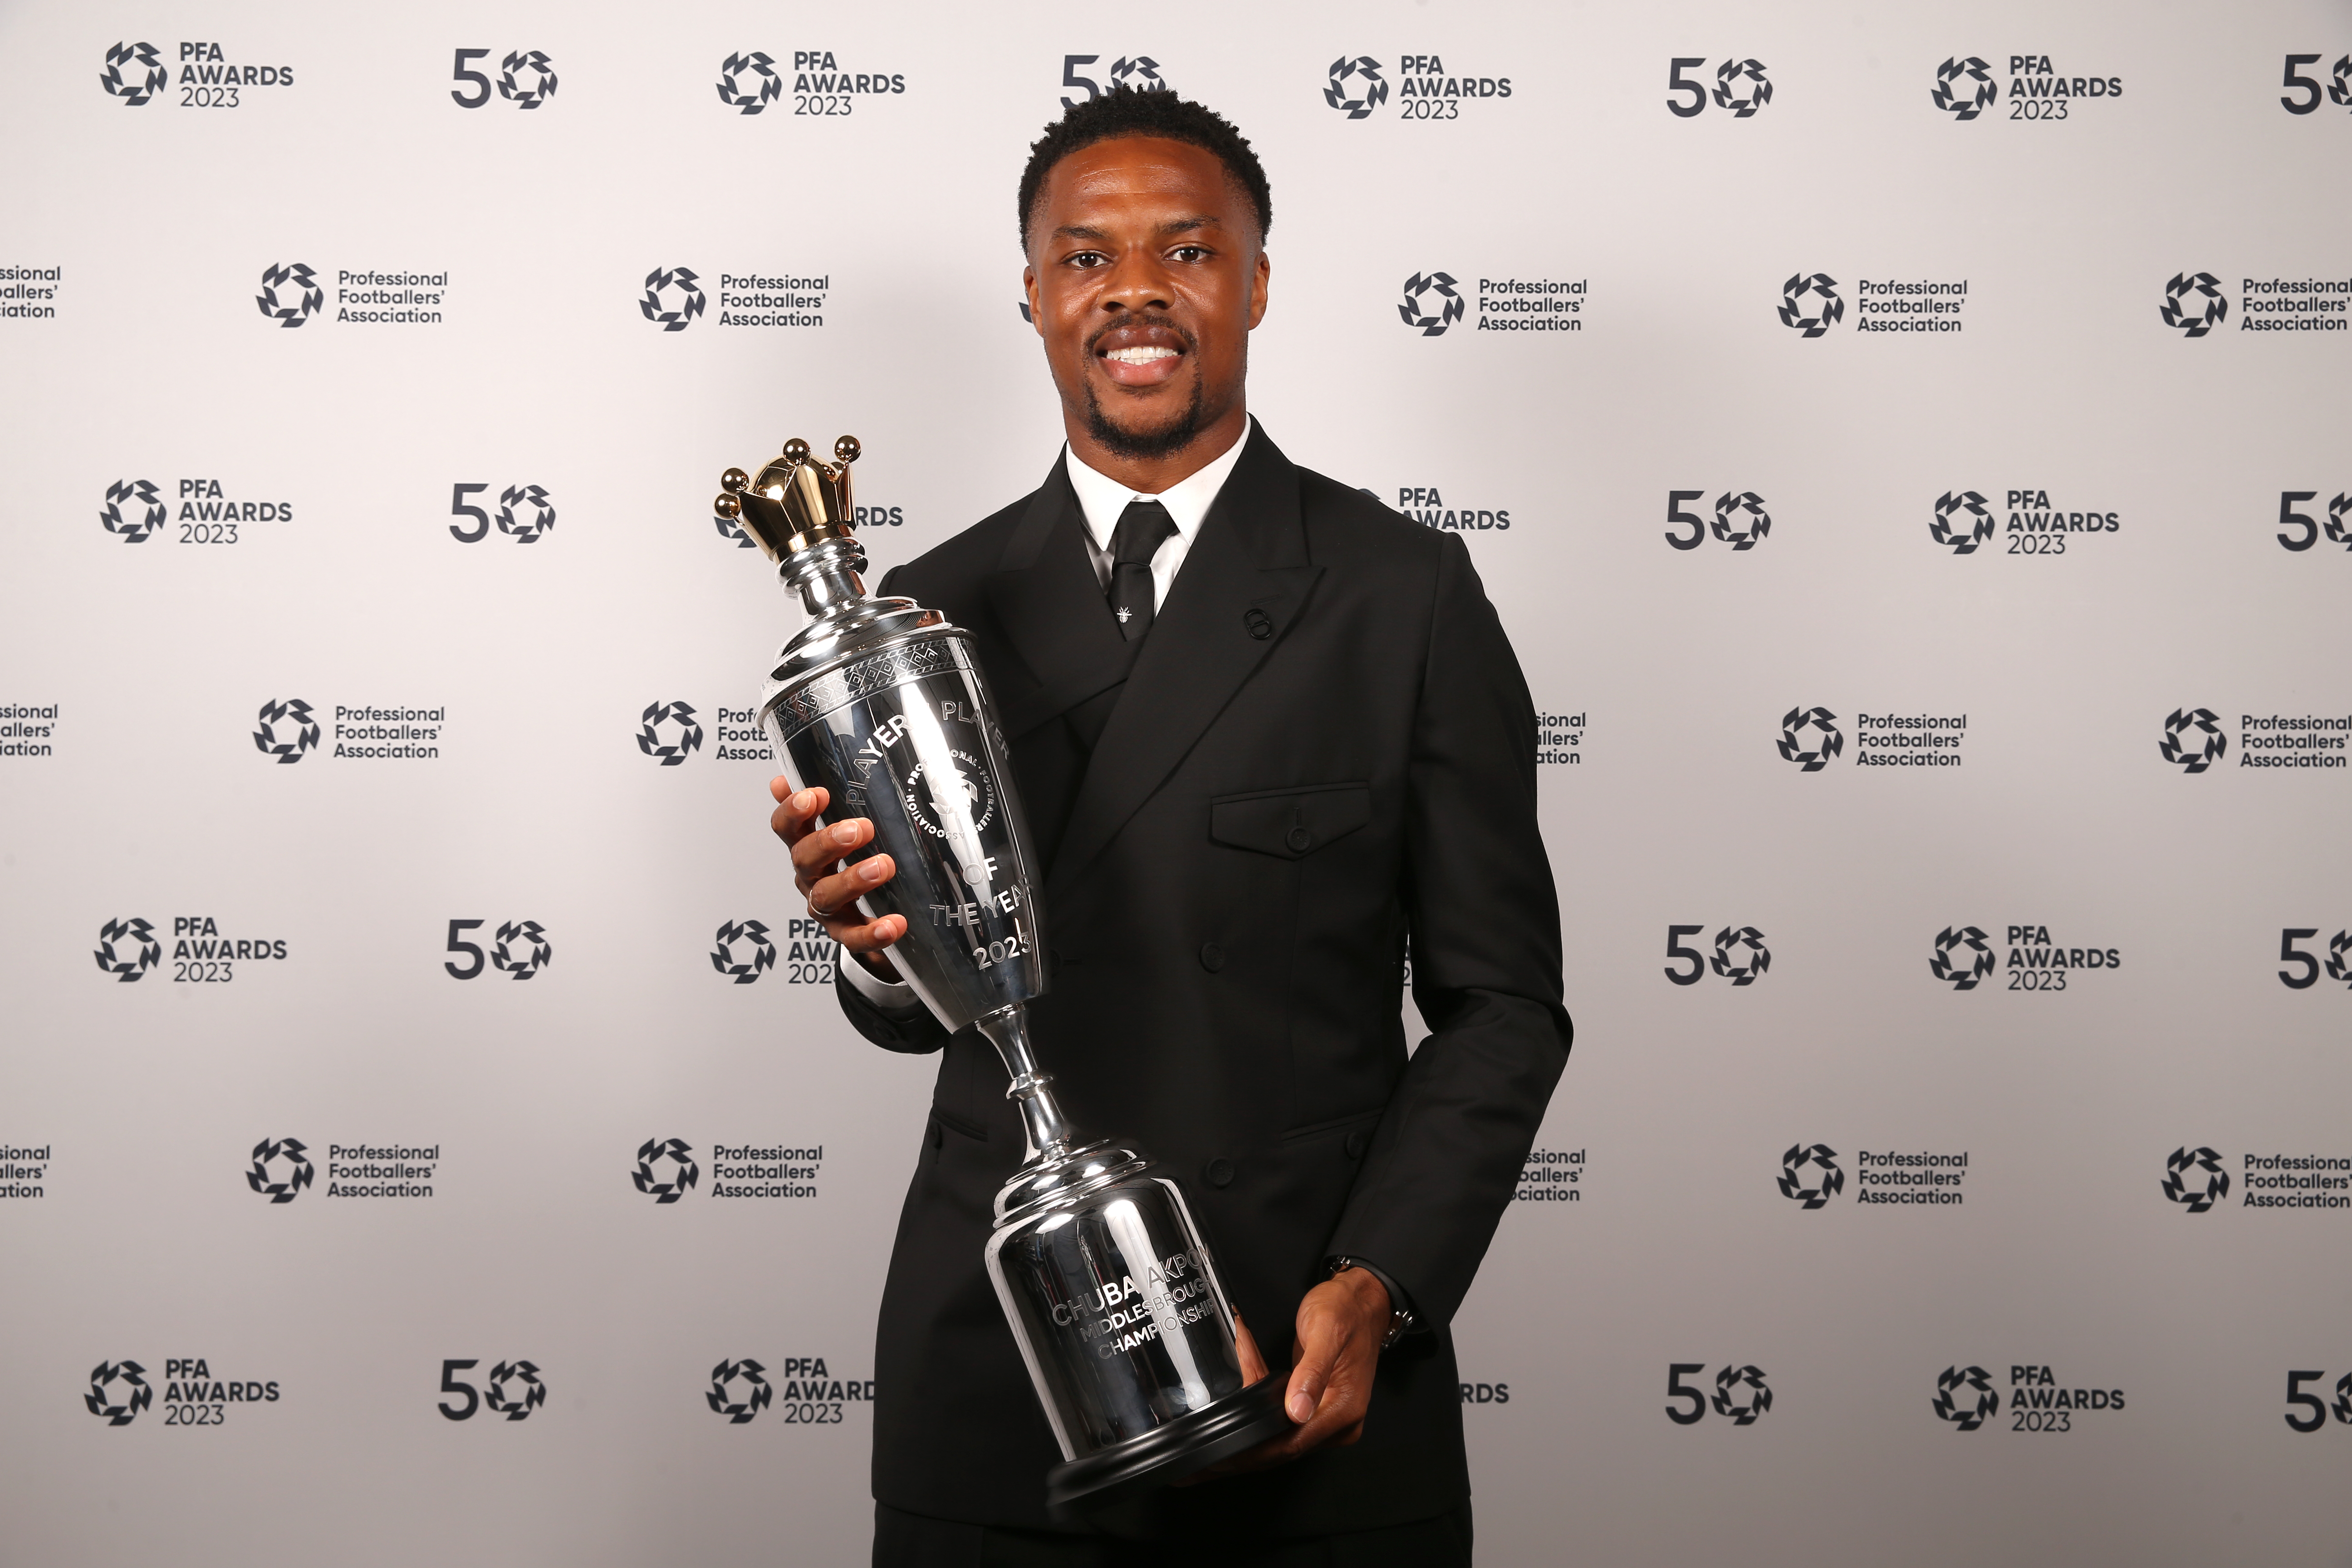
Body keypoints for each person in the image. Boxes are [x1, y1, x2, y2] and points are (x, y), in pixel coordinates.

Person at [767, 87, 1569, 1568]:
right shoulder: (920, 620)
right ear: (1032, 296)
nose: (1135, 289)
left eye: (1186, 250)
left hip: (1305, 1359)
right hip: (999, 1380)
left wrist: (1381, 1282)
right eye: (1086, 258)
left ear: (1256, 282)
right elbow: (910, 1014)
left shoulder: (1402, 595)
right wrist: (878, 947)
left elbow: (1503, 1005)